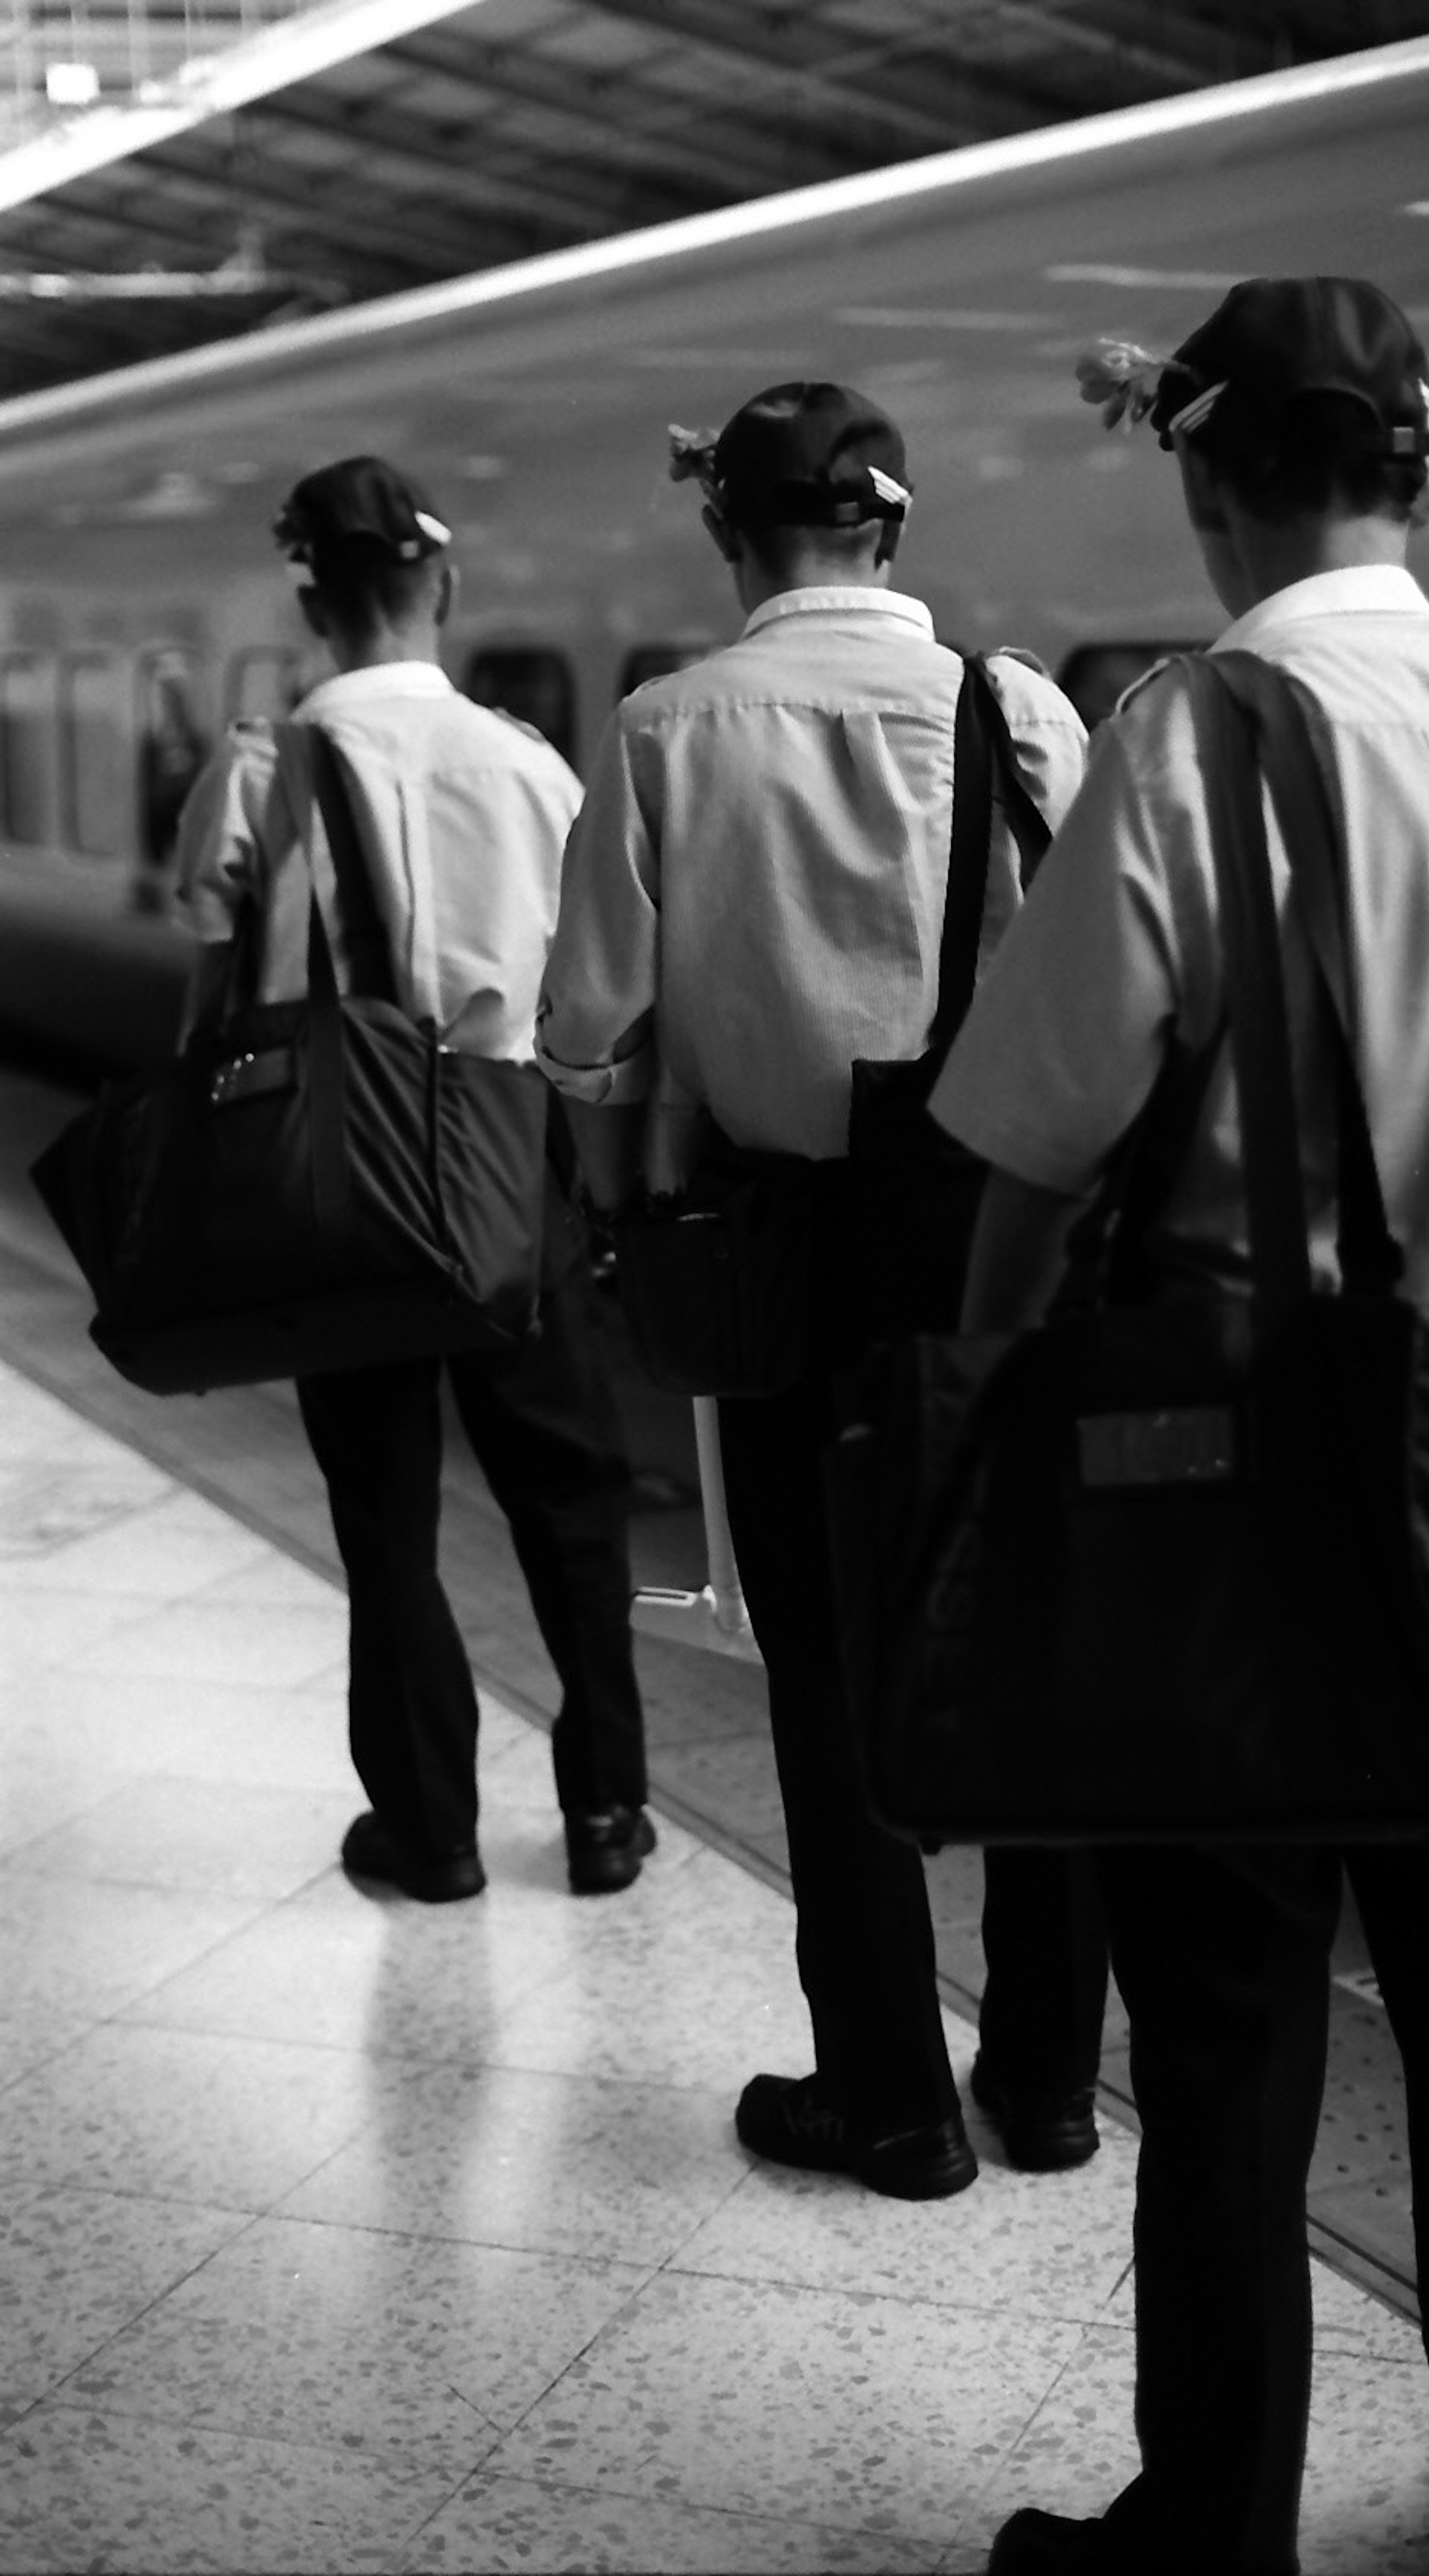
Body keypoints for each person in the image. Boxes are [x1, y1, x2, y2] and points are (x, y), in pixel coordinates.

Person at [929, 281, 1429, 2574]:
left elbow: (1040, 1137)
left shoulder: (1199, 731)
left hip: (1238, 1499)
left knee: (1239, 2022)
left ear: (1203, 482)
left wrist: (984, 1404)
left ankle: (1218, 2519)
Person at [536, 380, 1107, 2198]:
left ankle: (887, 2099)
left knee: (825, 1668)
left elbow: (583, 1029)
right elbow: (1111, 976)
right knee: (1037, 1642)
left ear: (731, 534)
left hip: (787, 1250)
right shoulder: (1012, 705)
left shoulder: (668, 726)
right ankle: (1046, 2084)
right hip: (1006, 1247)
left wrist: (651, 1121)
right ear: (899, 527)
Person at [175, 454, 654, 1906]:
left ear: (309, 598)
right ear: (440, 587)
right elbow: (594, 996)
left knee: (383, 1517)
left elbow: (206, 1018)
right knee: (569, 1502)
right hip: (512, 1160)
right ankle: (608, 1811)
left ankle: (431, 1826)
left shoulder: (258, 767)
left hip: (336, 1183)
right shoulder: (529, 764)